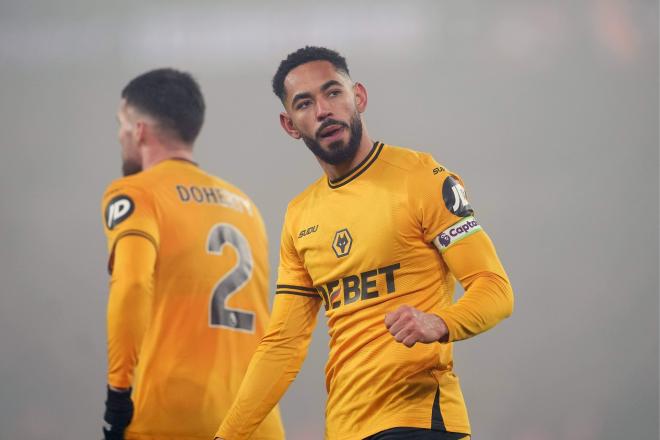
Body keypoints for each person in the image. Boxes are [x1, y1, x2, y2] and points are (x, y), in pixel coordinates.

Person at [214, 47, 514, 440]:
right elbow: (283, 345)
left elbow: (495, 288)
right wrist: (227, 435)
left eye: (333, 93)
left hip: (418, 419)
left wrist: (439, 322)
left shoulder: (421, 178)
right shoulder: (300, 215)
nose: (323, 110)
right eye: (305, 103)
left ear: (359, 97)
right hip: (343, 427)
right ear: (290, 125)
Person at [101, 68, 284, 440]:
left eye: (121, 123)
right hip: (255, 422)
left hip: (170, 416)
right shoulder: (246, 206)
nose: (119, 134)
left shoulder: (136, 193)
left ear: (139, 131)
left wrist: (118, 394)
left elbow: (132, 284)